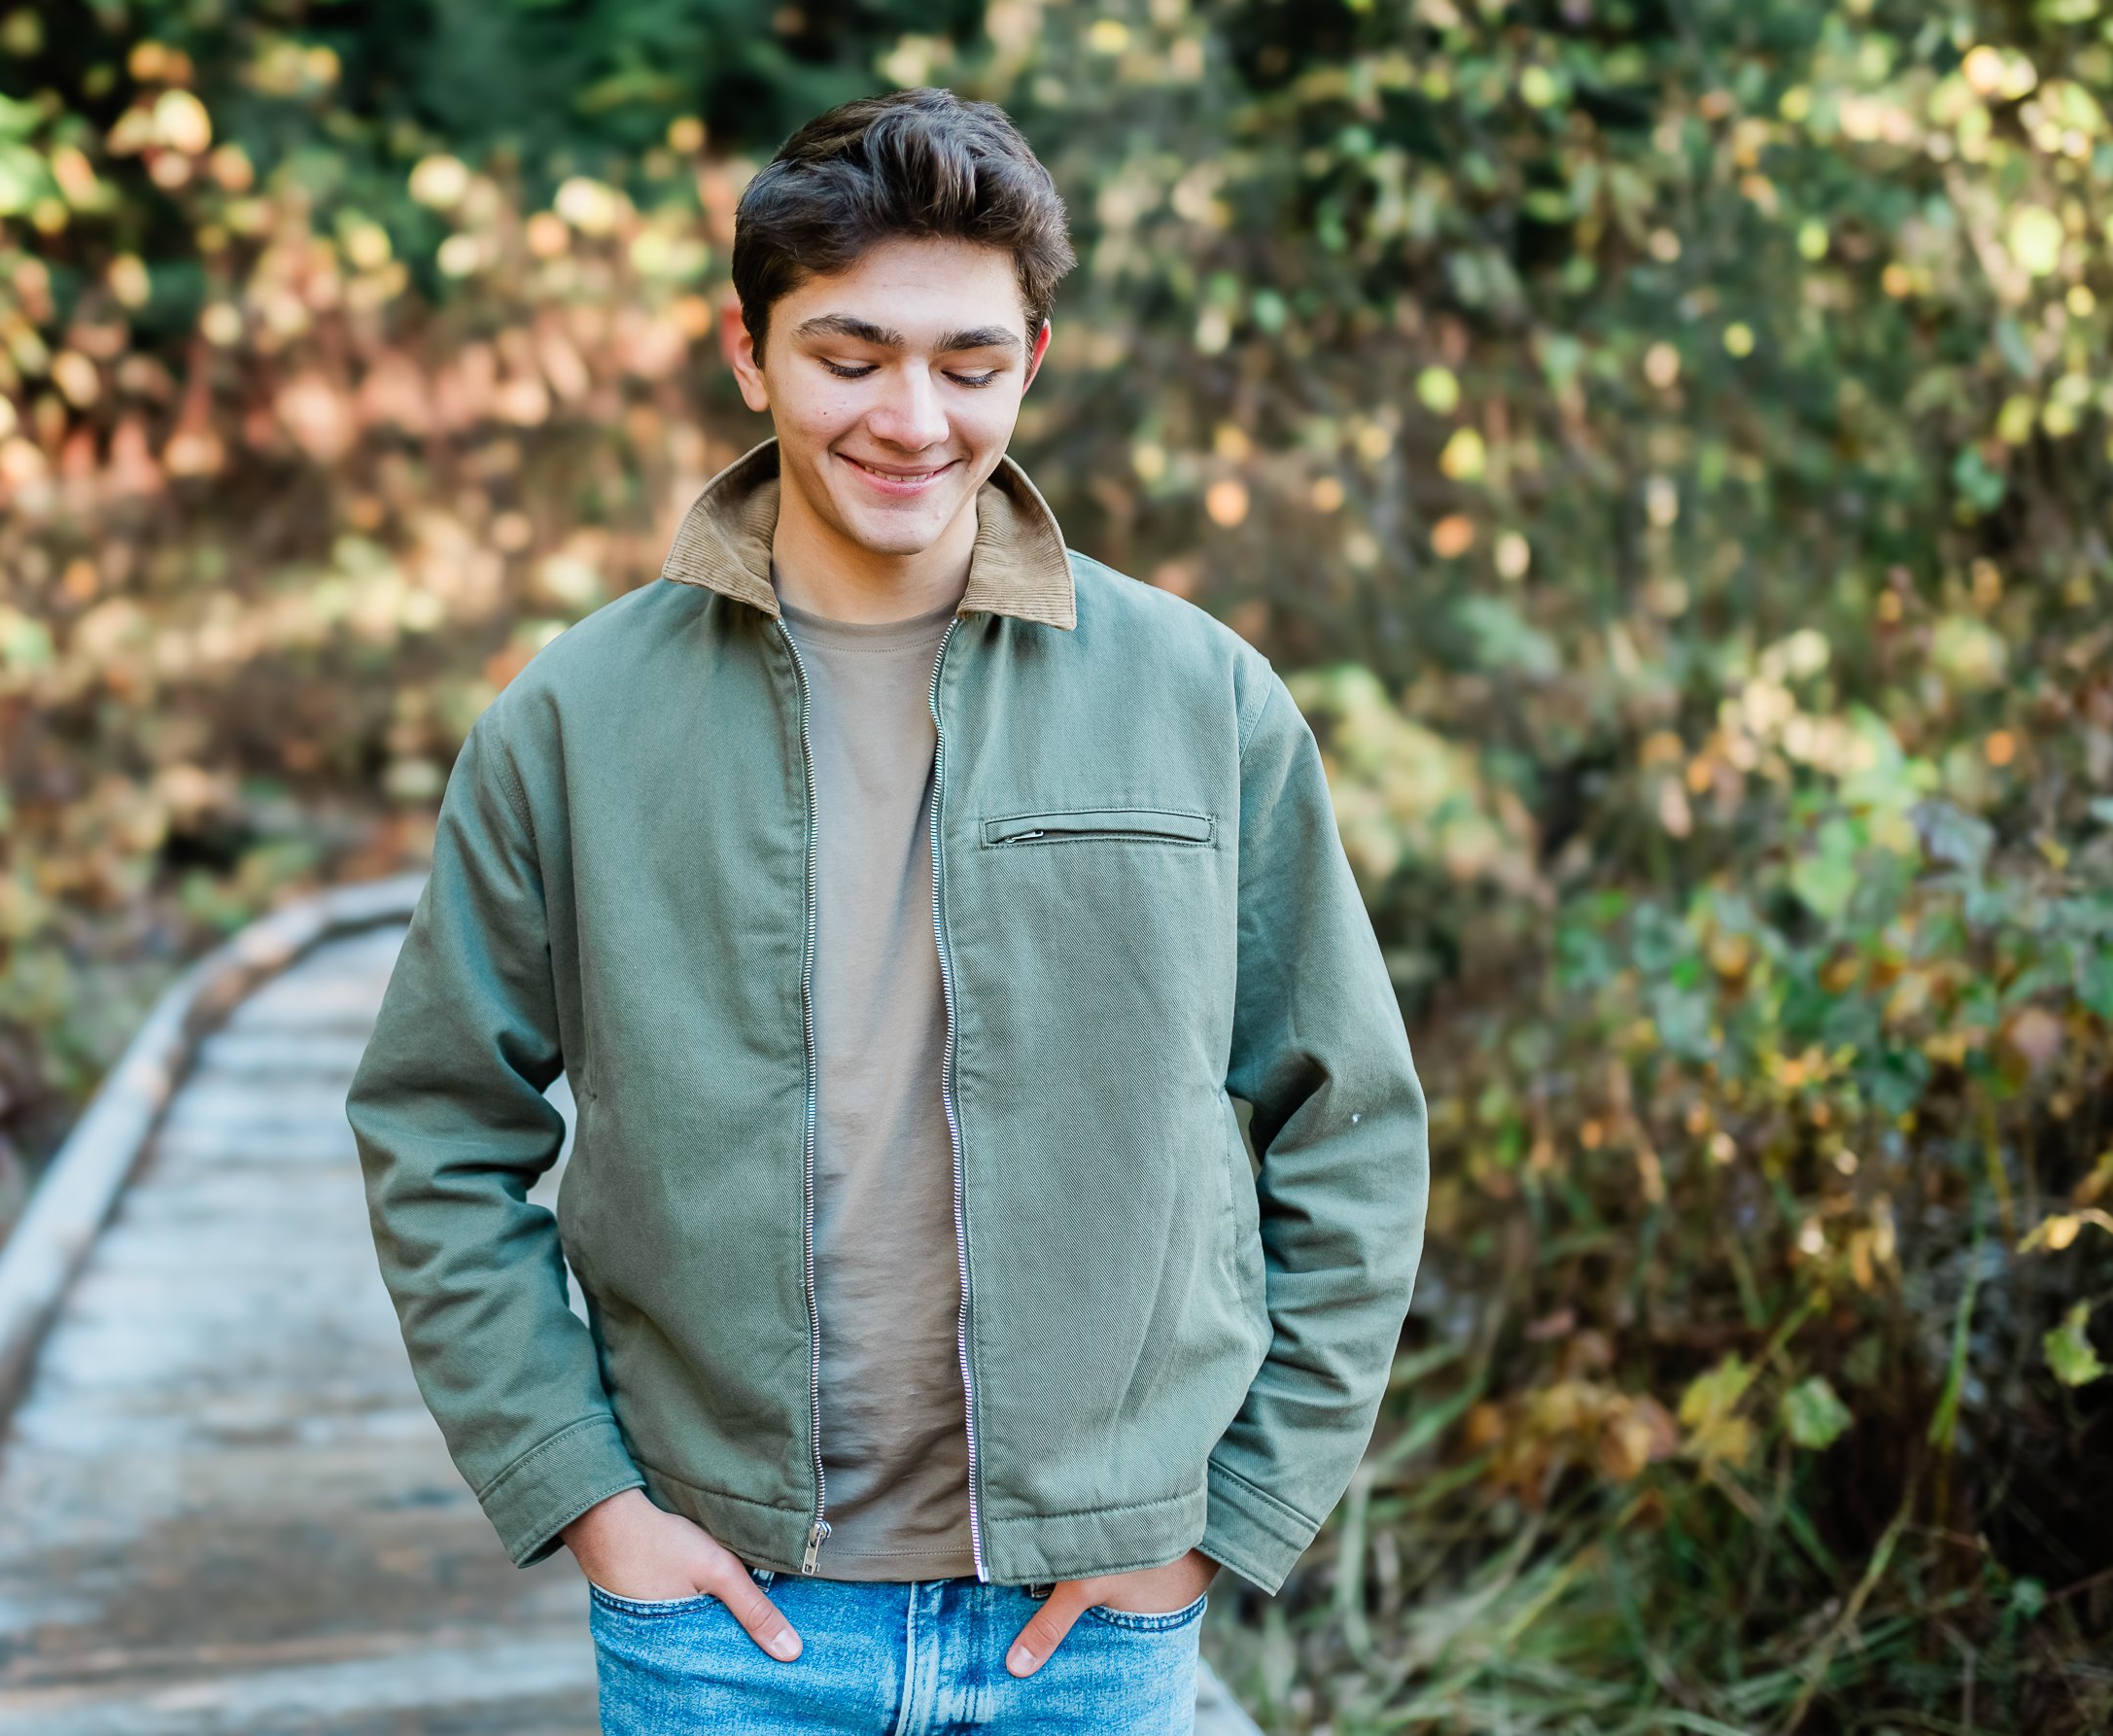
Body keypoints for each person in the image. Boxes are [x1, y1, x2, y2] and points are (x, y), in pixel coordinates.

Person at [345, 87, 1429, 1735]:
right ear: (749, 351)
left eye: (969, 362)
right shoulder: (575, 721)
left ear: (1034, 359)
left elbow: (1348, 1122)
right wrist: (588, 1497)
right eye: (851, 357)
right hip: (725, 1619)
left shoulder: (1200, 700)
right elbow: (437, 1128)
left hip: (1093, 1623)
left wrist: (1229, 1518)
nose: (912, 418)